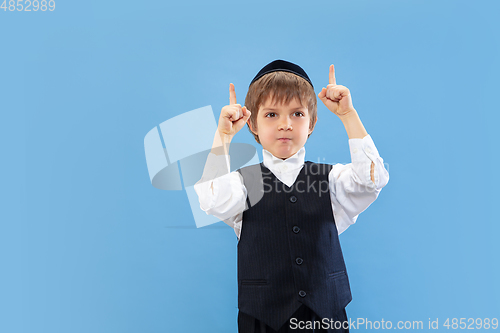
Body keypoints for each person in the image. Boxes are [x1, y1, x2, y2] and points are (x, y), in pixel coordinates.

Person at [194, 60, 389, 332]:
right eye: (271, 115)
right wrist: (223, 136)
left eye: (297, 114)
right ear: (253, 125)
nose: (285, 124)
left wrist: (348, 115)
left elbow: (372, 180)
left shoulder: (331, 179)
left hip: (326, 316)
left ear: (312, 123)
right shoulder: (243, 182)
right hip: (262, 318)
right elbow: (210, 199)